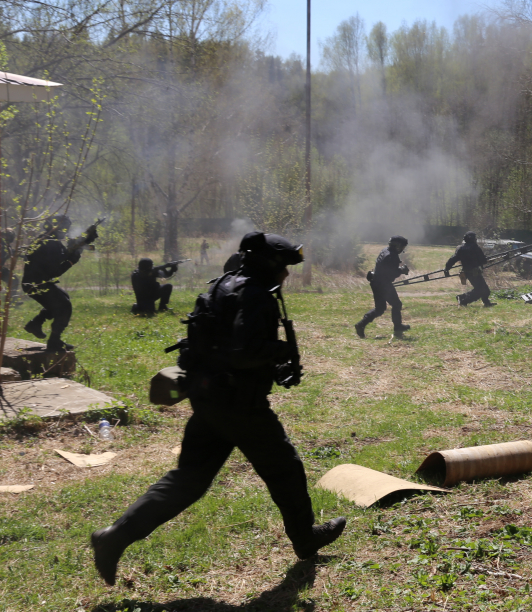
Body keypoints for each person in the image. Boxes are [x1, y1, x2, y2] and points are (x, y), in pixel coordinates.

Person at [90, 232, 346, 586]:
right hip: (240, 405)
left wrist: (272, 367)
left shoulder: (225, 284)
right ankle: (305, 538)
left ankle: (113, 537)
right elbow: (243, 352)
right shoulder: (255, 294)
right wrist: (279, 352)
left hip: (209, 399)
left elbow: (221, 345)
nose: (287, 274)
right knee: (285, 468)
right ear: (268, 264)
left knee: (188, 481)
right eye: (284, 267)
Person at [22, 214, 95, 352]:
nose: (66, 231)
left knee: (62, 300)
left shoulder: (47, 239)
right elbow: (55, 270)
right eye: (65, 228)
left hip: (35, 282)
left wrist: (78, 246)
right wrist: (71, 260)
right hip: (37, 284)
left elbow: (59, 256)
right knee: (64, 306)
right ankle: (54, 342)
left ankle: (36, 324)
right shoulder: (50, 243)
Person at [356, 235, 411, 339]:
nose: (403, 249)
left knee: (380, 308)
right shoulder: (392, 256)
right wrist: (402, 270)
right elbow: (392, 274)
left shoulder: (385, 250)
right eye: (403, 247)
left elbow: (385, 268)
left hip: (376, 281)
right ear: (398, 246)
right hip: (383, 284)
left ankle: (361, 324)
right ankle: (398, 328)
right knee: (396, 304)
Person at [445, 231, 496, 308]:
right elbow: (483, 260)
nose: (476, 239)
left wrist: (447, 268)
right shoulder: (475, 247)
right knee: (482, 290)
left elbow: (453, 259)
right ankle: (463, 299)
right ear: (472, 239)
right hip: (475, 272)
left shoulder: (460, 248)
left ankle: (486, 303)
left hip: (467, 272)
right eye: (475, 238)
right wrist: (489, 260)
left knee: (483, 289)